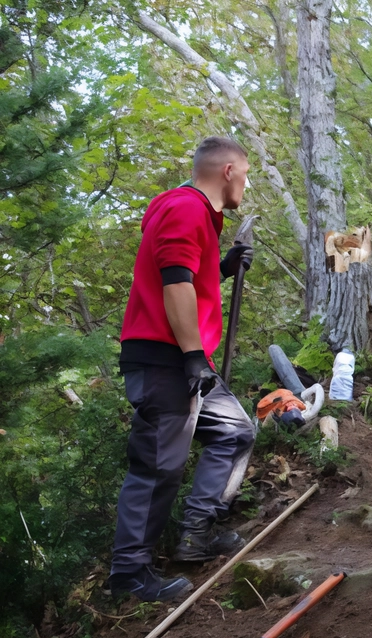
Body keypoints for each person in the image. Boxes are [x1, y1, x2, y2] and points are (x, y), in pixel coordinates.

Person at [109, 136, 257, 602]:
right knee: (157, 466)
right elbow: (174, 285)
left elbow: (187, 276)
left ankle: (196, 533)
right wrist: (193, 355)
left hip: (183, 358)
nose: (246, 185)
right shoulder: (186, 207)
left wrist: (222, 267)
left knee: (235, 432)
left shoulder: (193, 215)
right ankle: (130, 574)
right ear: (229, 171)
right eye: (246, 175)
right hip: (166, 358)